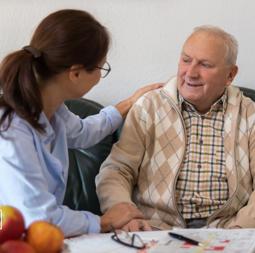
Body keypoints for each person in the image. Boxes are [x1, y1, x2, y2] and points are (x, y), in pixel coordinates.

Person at [96, 25, 255, 232]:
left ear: (230, 75)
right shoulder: (150, 106)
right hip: (157, 227)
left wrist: (240, 229)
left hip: (231, 225)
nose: (190, 73)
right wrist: (124, 212)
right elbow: (117, 170)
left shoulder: (251, 115)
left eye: (205, 65)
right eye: (186, 60)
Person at [0, 9, 161, 237]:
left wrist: (131, 101)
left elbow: (84, 132)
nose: (99, 76)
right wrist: (103, 221)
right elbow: (40, 218)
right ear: (75, 73)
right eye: (100, 68)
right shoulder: (12, 132)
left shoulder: (52, 108)